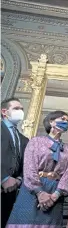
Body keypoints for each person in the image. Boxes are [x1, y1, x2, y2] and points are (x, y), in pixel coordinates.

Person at [6, 111, 68, 228]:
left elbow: (67, 174)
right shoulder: (35, 141)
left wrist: (55, 196)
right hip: (33, 190)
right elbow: (29, 167)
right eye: (63, 119)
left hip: (55, 192)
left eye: (67, 121)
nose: (66, 122)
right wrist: (40, 192)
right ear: (51, 122)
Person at [1, 98, 29, 228]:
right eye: (16, 109)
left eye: (22, 109)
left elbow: (26, 162)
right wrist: (3, 178)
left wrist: (19, 178)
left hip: (12, 191)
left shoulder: (24, 139)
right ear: (4, 112)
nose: (20, 112)